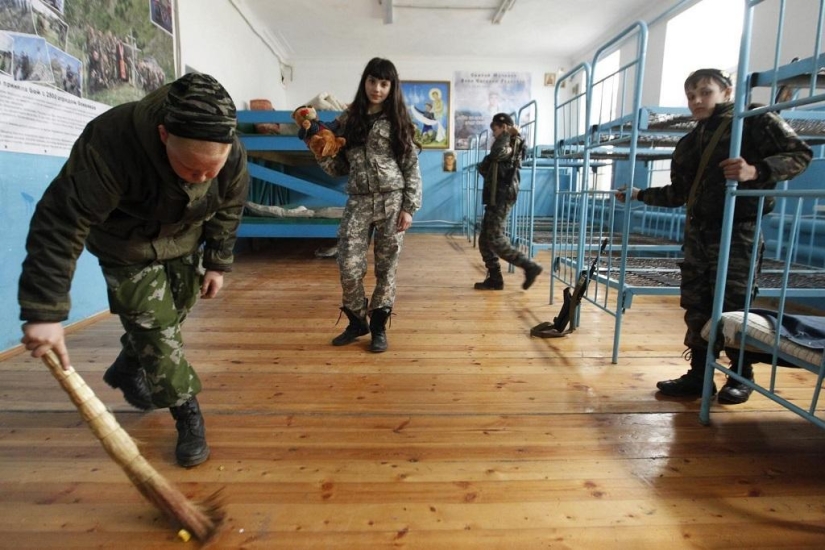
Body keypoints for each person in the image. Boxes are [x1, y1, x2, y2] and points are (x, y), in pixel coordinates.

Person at [18, 73, 249, 467]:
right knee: (158, 332)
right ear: (163, 135)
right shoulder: (110, 142)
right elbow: (62, 221)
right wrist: (44, 310)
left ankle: (127, 366)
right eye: (191, 168)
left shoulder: (234, 154)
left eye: (212, 170)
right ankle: (186, 414)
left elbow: (229, 207)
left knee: (173, 313)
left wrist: (217, 262)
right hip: (126, 246)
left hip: (184, 239)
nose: (202, 178)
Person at [616, 68, 812, 403]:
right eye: (691, 95)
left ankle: (740, 374)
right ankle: (699, 374)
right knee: (696, 304)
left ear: (726, 91)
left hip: (738, 231)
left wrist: (756, 170)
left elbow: (800, 154)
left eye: (705, 92)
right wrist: (638, 194)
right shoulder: (689, 143)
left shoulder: (753, 121)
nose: (696, 100)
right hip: (698, 233)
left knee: (735, 305)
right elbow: (679, 193)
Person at [313, 57, 422, 353]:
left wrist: (409, 207)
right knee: (348, 264)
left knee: (386, 268)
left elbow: (410, 165)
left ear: (392, 87)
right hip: (358, 200)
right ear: (365, 82)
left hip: (392, 199)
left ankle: (378, 327)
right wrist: (320, 152)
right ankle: (357, 321)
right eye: (372, 81)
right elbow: (338, 168)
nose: (377, 88)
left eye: (384, 83)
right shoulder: (348, 120)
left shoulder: (399, 121)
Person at [474, 112, 543, 291]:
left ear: (504, 127)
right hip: (496, 196)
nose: (493, 134)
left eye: (495, 130)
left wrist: (506, 135)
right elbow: (485, 166)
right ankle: (495, 278)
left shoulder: (512, 143)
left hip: (502, 196)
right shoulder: (506, 143)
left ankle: (529, 266)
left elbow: (497, 154)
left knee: (495, 238)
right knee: (485, 240)